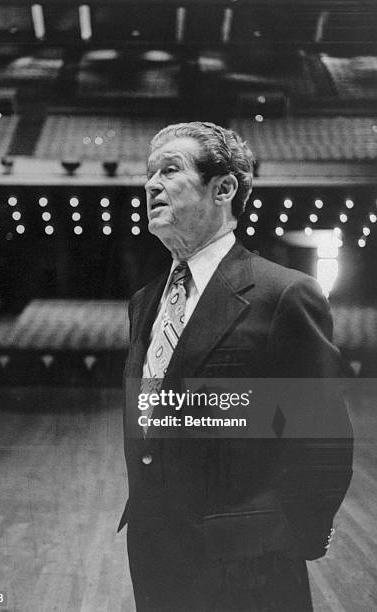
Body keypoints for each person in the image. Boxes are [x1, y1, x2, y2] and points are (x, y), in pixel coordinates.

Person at [119, 121, 353, 611]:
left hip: (251, 564)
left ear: (223, 188)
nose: (150, 185)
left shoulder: (284, 294)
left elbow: (324, 437)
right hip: (154, 551)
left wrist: (295, 537)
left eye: (169, 170)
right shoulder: (144, 300)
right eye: (148, 174)